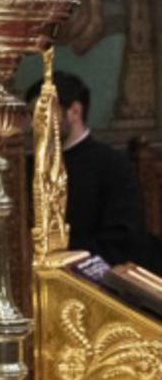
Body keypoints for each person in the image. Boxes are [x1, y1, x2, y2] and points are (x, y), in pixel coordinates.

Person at [25, 70, 162, 271]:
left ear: (74, 112)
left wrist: (62, 254)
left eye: (42, 113)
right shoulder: (30, 166)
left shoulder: (113, 165)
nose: (33, 124)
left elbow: (122, 239)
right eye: (31, 115)